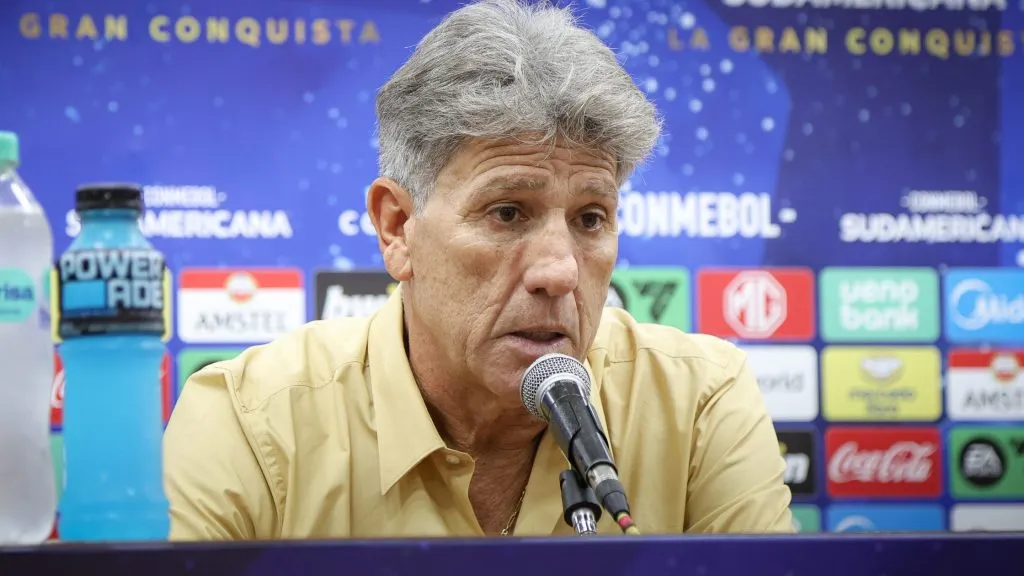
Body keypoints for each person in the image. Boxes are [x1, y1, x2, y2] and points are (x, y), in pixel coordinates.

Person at [164, 0, 794, 539]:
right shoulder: (249, 424)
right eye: (508, 212)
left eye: (590, 218)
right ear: (396, 228)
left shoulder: (699, 403)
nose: (560, 272)